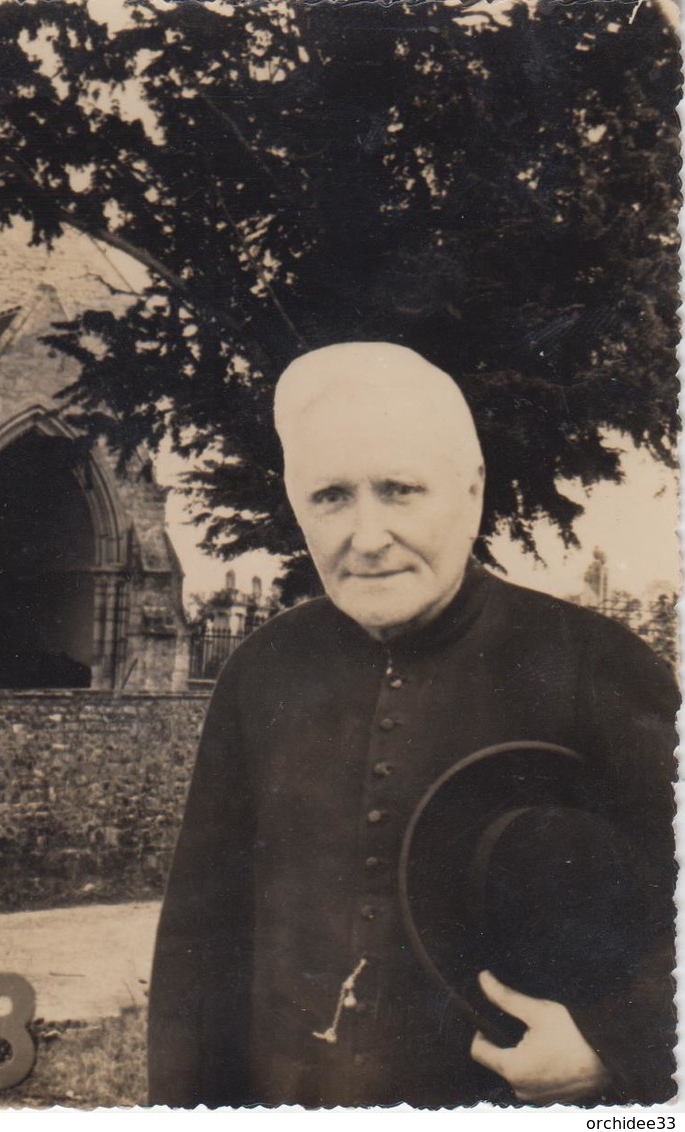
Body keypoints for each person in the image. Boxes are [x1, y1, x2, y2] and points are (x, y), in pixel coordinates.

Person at [147, 342, 678, 1107]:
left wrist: (615, 1042)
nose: (365, 536)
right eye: (330, 497)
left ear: (470, 493)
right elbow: (197, 953)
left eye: (399, 491)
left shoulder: (592, 664)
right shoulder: (262, 671)